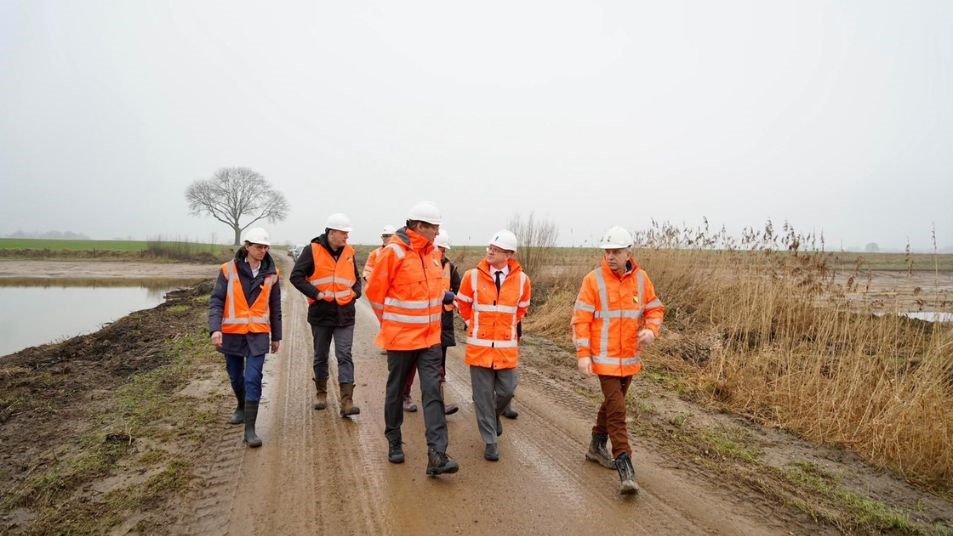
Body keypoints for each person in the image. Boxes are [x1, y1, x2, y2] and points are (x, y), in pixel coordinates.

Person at [365, 201, 459, 476]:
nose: (437, 232)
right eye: (434, 227)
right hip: (401, 339)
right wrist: (390, 323)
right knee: (396, 391)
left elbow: (430, 293)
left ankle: (437, 456)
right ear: (418, 227)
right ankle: (394, 441)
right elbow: (375, 293)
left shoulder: (432, 255)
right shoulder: (393, 252)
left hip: (430, 339)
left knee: (433, 393)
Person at [571, 226, 664, 495]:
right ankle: (625, 466)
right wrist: (583, 355)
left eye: (616, 251)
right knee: (618, 409)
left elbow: (654, 308)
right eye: (607, 251)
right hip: (604, 361)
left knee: (613, 405)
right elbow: (581, 320)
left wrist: (651, 329)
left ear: (628, 253)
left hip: (629, 360)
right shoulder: (593, 280)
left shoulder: (641, 279)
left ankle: (596, 445)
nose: (610, 256)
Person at [455, 230, 531, 462]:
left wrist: (508, 326)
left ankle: (495, 416)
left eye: (496, 249)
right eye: (489, 247)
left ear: (508, 254)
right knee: (483, 396)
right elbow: (462, 304)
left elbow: (522, 308)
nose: (490, 251)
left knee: (507, 391)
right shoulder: (472, 276)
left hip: (506, 348)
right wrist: (472, 323)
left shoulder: (523, 280)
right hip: (479, 348)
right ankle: (490, 441)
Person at [208, 227, 282, 448]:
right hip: (231, 334)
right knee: (235, 376)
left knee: (253, 378)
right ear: (247, 246)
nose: (263, 250)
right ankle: (241, 405)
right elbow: (217, 301)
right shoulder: (227, 270)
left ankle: (250, 429)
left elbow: (275, 307)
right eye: (259, 246)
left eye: (266, 247)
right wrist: (215, 329)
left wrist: (276, 336)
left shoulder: (272, 273)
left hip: (258, 335)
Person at [290, 213, 362, 417]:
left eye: (347, 233)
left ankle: (347, 402)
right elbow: (296, 277)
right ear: (331, 233)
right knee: (321, 355)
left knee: (344, 355)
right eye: (344, 233)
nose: (347, 237)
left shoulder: (349, 251)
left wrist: (355, 292)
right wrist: (316, 293)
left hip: (345, 314)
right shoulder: (312, 250)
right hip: (321, 314)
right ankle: (321, 393)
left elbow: (356, 279)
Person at [401, 229, 460, 415]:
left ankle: (438, 403)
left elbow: (458, 292)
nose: (442, 252)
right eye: (439, 248)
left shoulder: (451, 268)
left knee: (438, 365)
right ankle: (404, 396)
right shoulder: (418, 264)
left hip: (442, 323)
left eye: (444, 249)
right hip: (418, 322)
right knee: (410, 365)